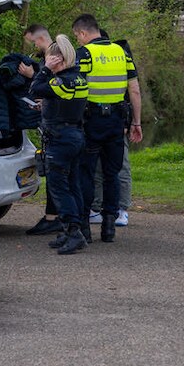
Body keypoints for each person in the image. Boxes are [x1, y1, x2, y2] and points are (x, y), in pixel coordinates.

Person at [73, 14, 142, 244]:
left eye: (77, 36)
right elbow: (134, 91)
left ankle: (84, 226)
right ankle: (109, 225)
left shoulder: (83, 54)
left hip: (90, 122)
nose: (78, 40)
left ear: (83, 33)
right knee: (112, 174)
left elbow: (75, 90)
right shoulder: (122, 53)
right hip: (116, 122)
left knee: (88, 173)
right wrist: (136, 123)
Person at [28, 34, 89, 254]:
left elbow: (34, 89)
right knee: (73, 185)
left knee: (59, 188)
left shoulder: (59, 80)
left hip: (61, 140)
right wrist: (46, 106)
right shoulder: (79, 78)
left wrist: (44, 69)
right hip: (75, 136)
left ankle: (74, 232)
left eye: (50, 60)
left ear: (58, 60)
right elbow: (66, 102)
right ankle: (71, 229)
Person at [20, 24, 65, 236]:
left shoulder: (55, 55)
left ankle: (54, 218)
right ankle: (55, 215)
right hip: (52, 119)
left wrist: (32, 75)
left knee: (56, 171)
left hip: (57, 123)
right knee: (55, 171)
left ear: (39, 39)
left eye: (32, 42)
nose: (32, 47)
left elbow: (54, 84)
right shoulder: (54, 53)